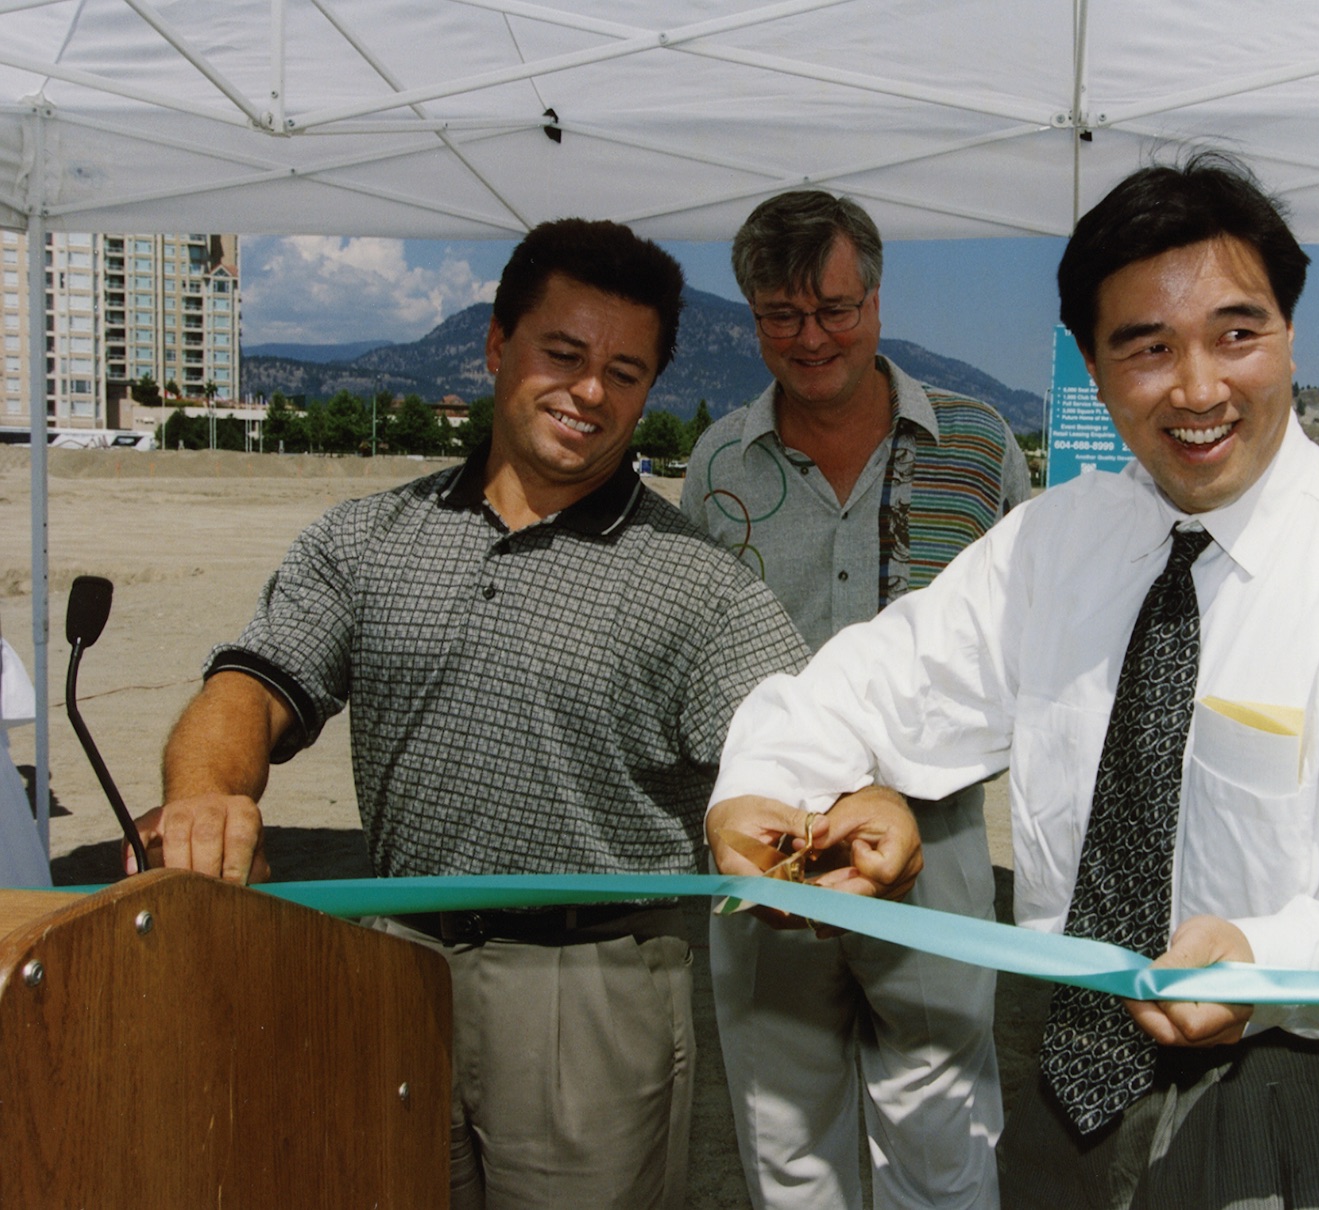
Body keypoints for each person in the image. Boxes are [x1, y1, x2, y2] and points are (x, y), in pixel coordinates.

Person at [706, 154, 1319, 1210]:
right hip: (1072, 1090)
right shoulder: (1055, 548)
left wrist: (1266, 958)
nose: (1197, 389)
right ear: (1092, 372)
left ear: (1290, 334)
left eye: (1238, 333)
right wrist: (765, 787)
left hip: (1288, 1084)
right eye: (1146, 347)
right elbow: (873, 681)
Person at [133, 218, 814, 1210]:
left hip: (595, 995)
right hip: (391, 968)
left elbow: (791, 753)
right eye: (564, 354)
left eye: (625, 372)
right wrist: (204, 792)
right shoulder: (365, 539)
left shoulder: (702, 587)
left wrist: (803, 832)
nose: (590, 392)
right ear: (498, 348)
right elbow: (252, 683)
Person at [682, 190, 1030, 1210]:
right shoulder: (717, 463)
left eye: (835, 308)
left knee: (944, 1146)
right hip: (768, 859)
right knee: (789, 1152)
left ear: (876, 299)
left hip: (939, 843)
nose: (812, 337)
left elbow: (1016, 648)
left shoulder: (978, 442)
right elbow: (707, 654)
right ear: (751, 319)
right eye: (780, 317)